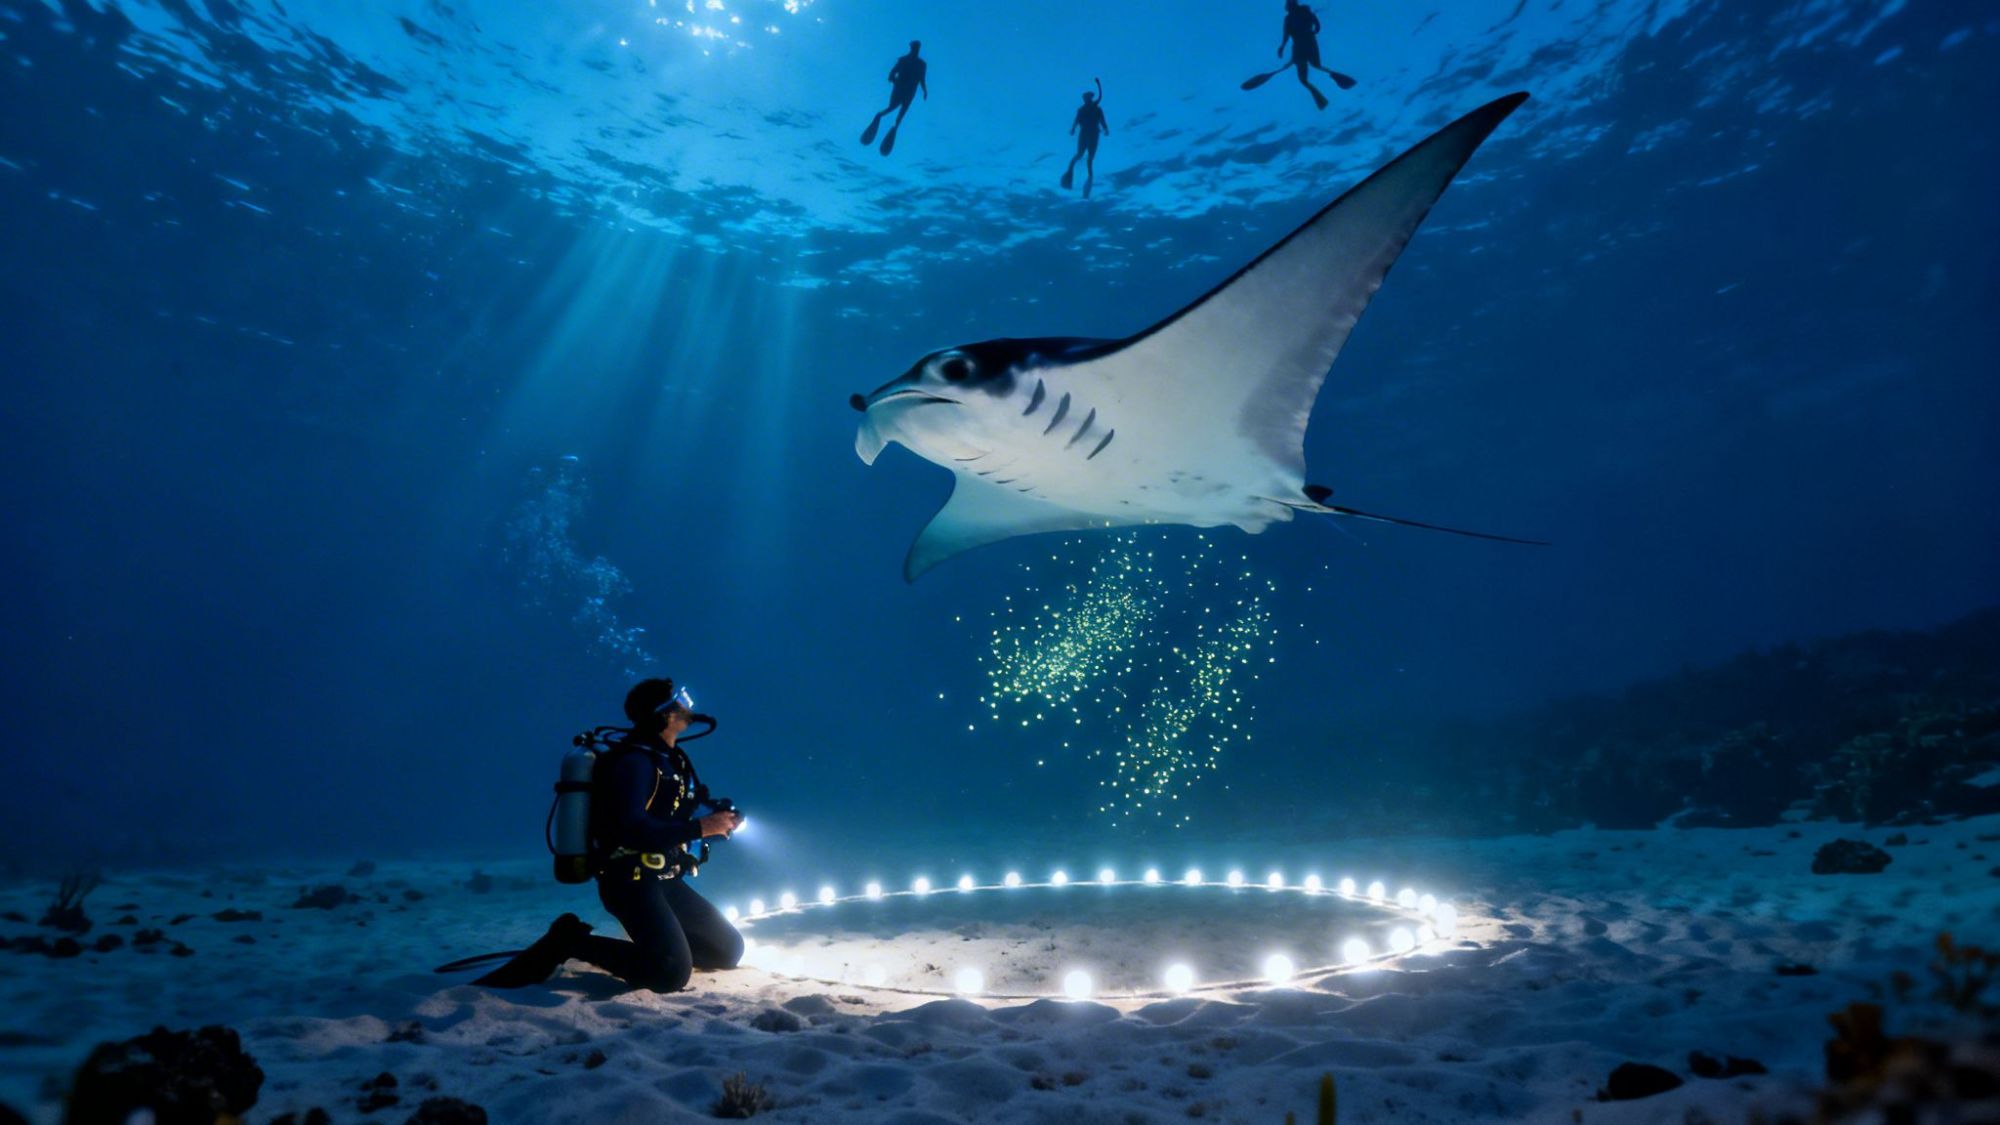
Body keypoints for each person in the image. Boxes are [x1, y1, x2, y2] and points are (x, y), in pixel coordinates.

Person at [472, 678, 744, 992]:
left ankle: (665, 948)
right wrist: (703, 827)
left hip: (667, 877)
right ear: (665, 714)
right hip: (630, 882)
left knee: (728, 950)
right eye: (682, 700)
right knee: (668, 974)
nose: (689, 706)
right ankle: (570, 941)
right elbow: (632, 830)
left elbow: (671, 819)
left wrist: (716, 821)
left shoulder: (671, 760)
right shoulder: (635, 763)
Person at [861, 40, 928, 156]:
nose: (915, 49)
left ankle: (895, 127)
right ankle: (879, 116)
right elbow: (891, 74)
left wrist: (924, 90)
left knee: (901, 115)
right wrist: (895, 81)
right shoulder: (903, 60)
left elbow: (922, 79)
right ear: (911, 48)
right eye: (914, 47)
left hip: (910, 92)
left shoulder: (922, 64)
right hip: (900, 89)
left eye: (917, 47)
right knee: (892, 107)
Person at [1278, 0, 1340, 110]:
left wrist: (1282, 47)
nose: (1286, 7)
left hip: (1299, 47)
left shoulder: (1289, 18)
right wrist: (1316, 29)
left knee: (1303, 79)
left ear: (1289, 6)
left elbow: (1286, 35)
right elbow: (1317, 25)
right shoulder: (1306, 12)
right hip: (1310, 43)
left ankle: (1321, 98)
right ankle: (1332, 74)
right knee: (1316, 65)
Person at [1062, 79, 1109, 196]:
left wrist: (1105, 128)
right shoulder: (1082, 110)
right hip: (1086, 133)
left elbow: (1102, 120)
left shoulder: (1097, 109)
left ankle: (1089, 177)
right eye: (1085, 97)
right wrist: (1073, 128)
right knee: (1081, 155)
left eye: (1088, 97)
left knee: (1089, 158)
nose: (1087, 99)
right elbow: (1076, 120)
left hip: (1093, 133)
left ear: (1090, 98)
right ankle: (1071, 172)